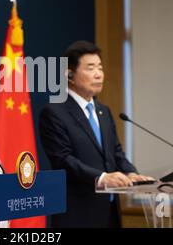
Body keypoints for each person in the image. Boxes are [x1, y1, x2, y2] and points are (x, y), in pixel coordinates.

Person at [39, 41, 153, 228]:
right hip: (77, 213)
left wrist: (131, 172)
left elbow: (115, 152)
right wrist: (101, 177)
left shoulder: (104, 111)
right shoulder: (54, 112)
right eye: (90, 68)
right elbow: (63, 159)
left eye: (100, 67)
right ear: (69, 74)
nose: (99, 74)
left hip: (109, 211)